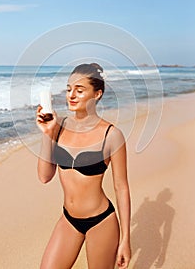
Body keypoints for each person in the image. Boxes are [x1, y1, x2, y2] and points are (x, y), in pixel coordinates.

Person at [36, 63, 131, 269]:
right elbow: (44, 176)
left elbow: (121, 188)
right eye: (69, 89)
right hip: (68, 219)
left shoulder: (112, 135)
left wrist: (125, 240)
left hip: (101, 222)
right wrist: (47, 134)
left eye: (79, 90)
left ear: (97, 94)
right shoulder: (58, 126)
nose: (71, 95)